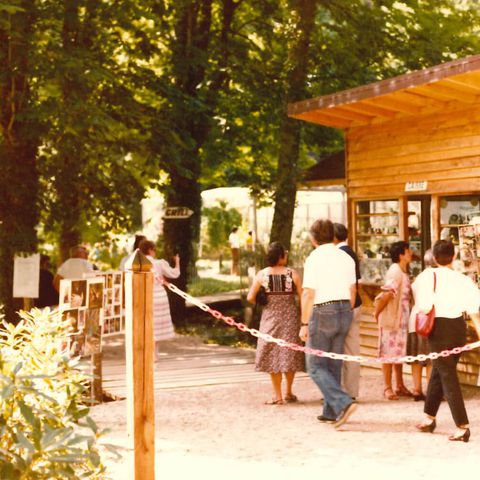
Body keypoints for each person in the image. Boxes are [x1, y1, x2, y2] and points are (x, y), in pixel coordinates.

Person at [415, 240, 480, 442]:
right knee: (441, 370)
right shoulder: (463, 280)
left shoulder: (426, 277)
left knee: (447, 374)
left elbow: (424, 307)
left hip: (439, 328)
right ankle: (429, 417)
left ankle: (462, 426)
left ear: (434, 257)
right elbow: (474, 312)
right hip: (459, 328)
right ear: (453, 257)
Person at [299, 218, 357, 428]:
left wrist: (304, 323)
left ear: (313, 238)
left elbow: (308, 293)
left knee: (315, 365)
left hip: (323, 309)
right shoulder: (345, 257)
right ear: (333, 235)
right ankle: (331, 411)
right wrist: (346, 310)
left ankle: (343, 402)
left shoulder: (314, 258)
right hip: (344, 309)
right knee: (334, 362)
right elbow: (353, 290)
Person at [246, 242, 304, 405]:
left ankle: (277, 395)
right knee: (289, 353)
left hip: (270, 318)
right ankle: (289, 392)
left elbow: (250, 297)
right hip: (290, 317)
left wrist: (264, 297)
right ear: (280, 256)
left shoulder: (262, 274)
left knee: (272, 355)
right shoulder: (292, 273)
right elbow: (302, 296)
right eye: (284, 253)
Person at [374, 241, 414, 401]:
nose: (410, 253)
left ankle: (399, 384)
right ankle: (387, 387)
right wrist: (376, 312)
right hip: (392, 316)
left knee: (397, 351)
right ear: (401, 254)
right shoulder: (395, 271)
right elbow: (387, 294)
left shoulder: (402, 270)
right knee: (388, 352)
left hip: (401, 317)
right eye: (408, 250)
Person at [333, 223, 362, 400]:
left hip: (345, 305)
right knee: (351, 349)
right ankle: (350, 391)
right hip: (354, 304)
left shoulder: (339, 255)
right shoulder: (351, 253)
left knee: (342, 349)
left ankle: (343, 391)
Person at [138, 239, 180, 358]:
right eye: (154, 250)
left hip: (145, 296)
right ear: (150, 250)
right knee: (157, 327)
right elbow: (175, 274)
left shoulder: (138, 265)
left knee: (148, 325)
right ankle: (154, 354)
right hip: (159, 296)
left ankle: (149, 354)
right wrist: (177, 262)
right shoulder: (159, 263)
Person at [408, 249, 435, 401]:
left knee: (417, 358)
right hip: (429, 320)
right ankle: (431, 390)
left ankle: (416, 389)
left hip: (415, 319)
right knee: (430, 358)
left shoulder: (419, 277)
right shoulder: (435, 277)